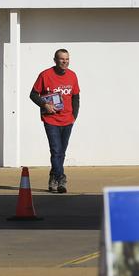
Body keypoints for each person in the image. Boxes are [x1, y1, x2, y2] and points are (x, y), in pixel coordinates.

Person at [30, 49, 80, 193]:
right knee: (56, 150)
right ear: (55, 60)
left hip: (67, 120)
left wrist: (74, 115)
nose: (65, 61)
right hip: (51, 120)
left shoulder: (72, 75)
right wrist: (45, 105)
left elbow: (76, 96)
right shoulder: (45, 75)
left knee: (61, 152)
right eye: (61, 59)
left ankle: (53, 177)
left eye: (67, 59)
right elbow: (33, 94)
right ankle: (61, 178)